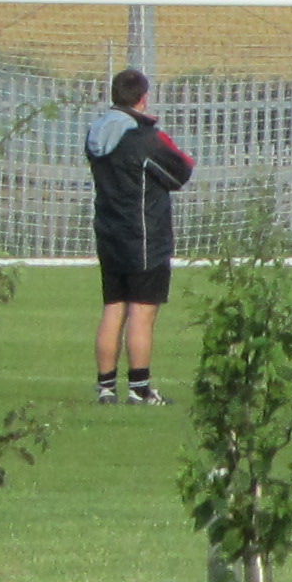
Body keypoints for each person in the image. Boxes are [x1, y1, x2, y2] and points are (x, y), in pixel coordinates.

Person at [84, 69, 193, 404]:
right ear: (143, 97)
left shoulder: (96, 131)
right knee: (142, 311)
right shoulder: (143, 138)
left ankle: (106, 388)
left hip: (109, 231)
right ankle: (140, 389)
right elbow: (180, 171)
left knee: (113, 307)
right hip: (144, 234)